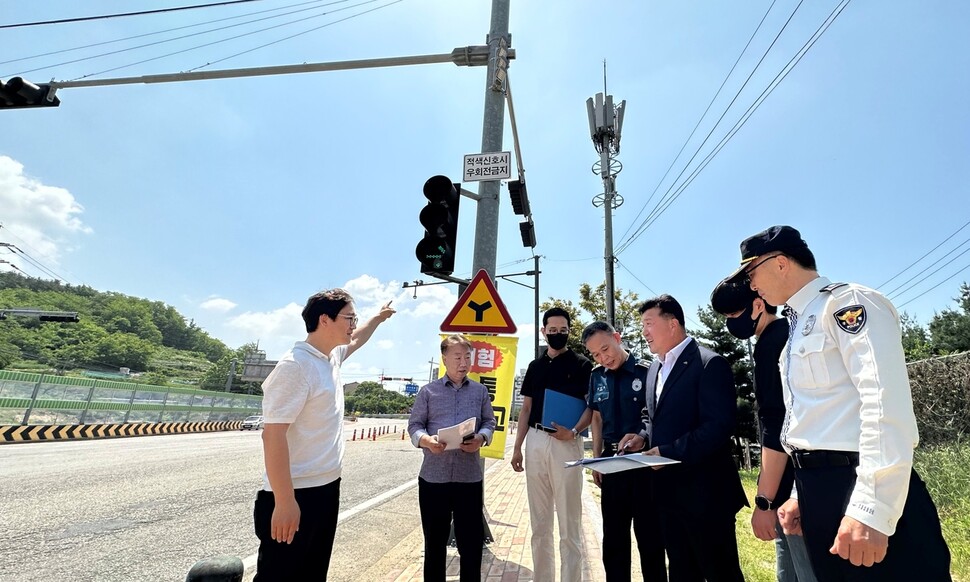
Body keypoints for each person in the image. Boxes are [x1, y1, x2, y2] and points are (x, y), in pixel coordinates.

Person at [730, 225, 951, 581]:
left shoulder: (847, 304)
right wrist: (803, 495)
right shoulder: (798, 324)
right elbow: (814, 420)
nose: (752, 285)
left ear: (781, 263)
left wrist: (870, 508)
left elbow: (883, 404)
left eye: (752, 273)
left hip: (859, 482)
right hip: (820, 489)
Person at [254, 289, 395, 582]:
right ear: (324, 320)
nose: (353, 324)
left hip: (326, 488)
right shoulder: (295, 366)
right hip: (296, 493)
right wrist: (284, 501)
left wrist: (378, 318)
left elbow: (358, 338)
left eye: (355, 318)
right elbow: (273, 436)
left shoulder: (330, 357)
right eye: (349, 317)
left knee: (312, 573)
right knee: (280, 575)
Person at [618, 295, 746, 582]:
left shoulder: (709, 363)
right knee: (681, 571)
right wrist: (641, 437)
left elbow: (718, 426)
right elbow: (652, 416)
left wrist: (668, 452)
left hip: (706, 496)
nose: (644, 332)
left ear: (673, 324)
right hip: (667, 495)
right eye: (642, 326)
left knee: (719, 572)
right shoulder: (655, 368)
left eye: (649, 324)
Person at [711, 278, 817, 582]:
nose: (731, 324)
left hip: (791, 492)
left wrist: (764, 500)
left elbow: (777, 424)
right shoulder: (785, 334)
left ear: (758, 305)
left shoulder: (773, 343)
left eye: (733, 316)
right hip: (801, 485)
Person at [510, 307, 593, 582]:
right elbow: (525, 410)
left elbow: (591, 408)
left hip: (567, 444)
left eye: (563, 330)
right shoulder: (535, 367)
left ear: (569, 331)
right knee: (539, 522)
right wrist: (517, 447)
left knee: (570, 522)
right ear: (543, 331)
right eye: (553, 330)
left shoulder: (582, 365)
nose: (558, 334)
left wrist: (575, 431)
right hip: (535, 440)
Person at [581, 321, 666, 582]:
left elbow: (657, 416)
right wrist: (597, 459)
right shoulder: (597, 376)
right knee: (614, 541)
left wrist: (643, 438)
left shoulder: (648, 371)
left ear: (617, 337)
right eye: (596, 354)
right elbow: (596, 417)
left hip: (643, 465)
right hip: (612, 463)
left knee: (650, 538)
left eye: (606, 349)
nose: (603, 357)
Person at [408, 334, 497, 582]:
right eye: (457, 357)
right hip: (433, 478)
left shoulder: (479, 391)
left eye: (467, 356)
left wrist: (481, 437)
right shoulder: (428, 392)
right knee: (434, 544)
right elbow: (415, 425)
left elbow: (490, 421)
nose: (463, 362)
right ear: (445, 358)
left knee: (470, 544)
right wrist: (427, 441)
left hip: (468, 478)